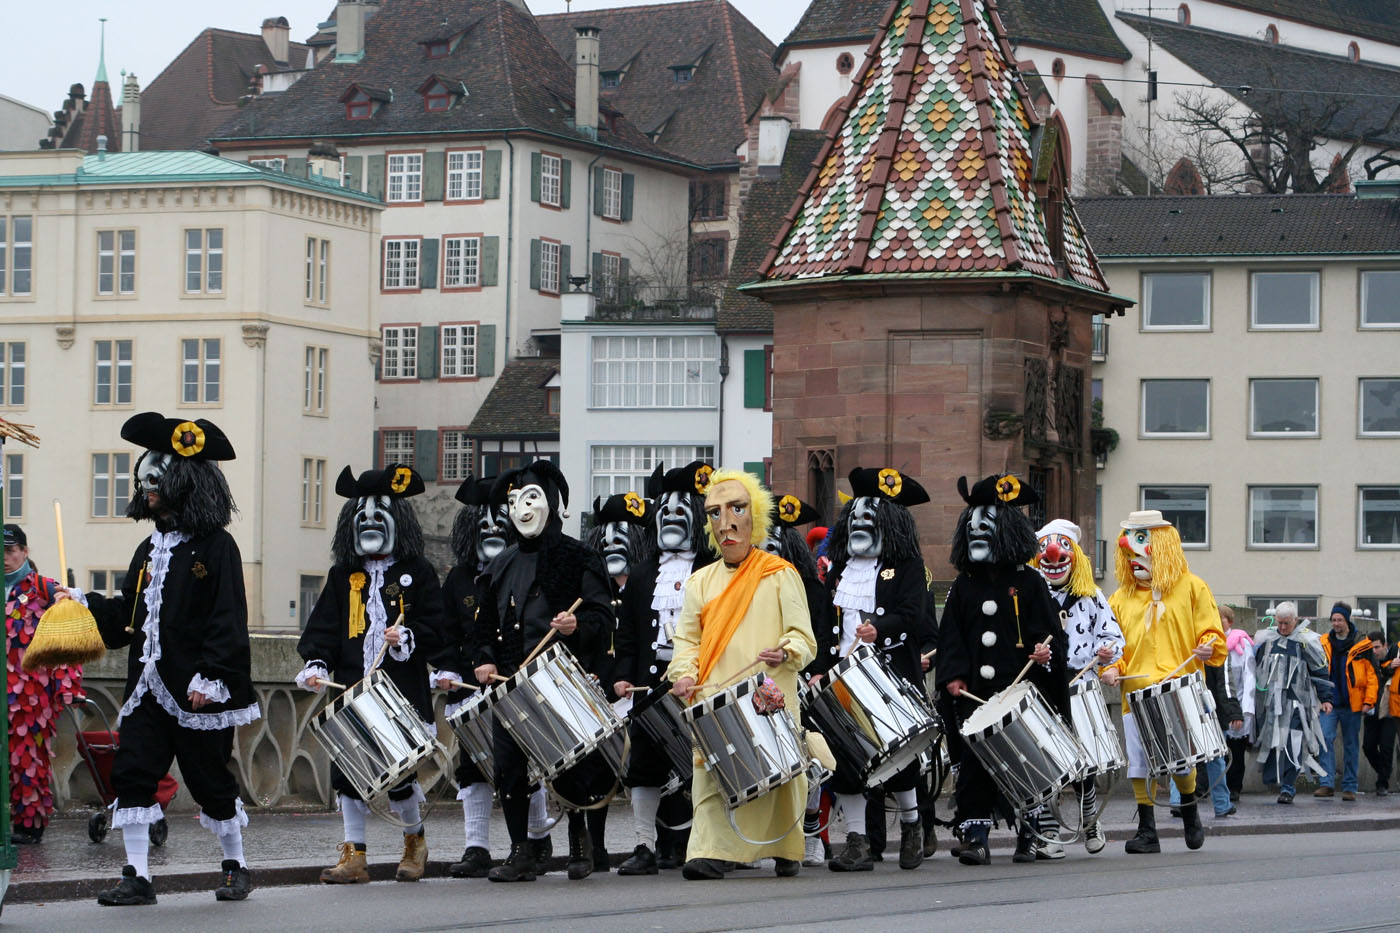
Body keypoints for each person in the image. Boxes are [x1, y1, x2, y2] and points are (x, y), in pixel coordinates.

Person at [80, 413, 258, 905]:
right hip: (147, 687)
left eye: (158, 480)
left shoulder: (218, 547)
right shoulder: (147, 549)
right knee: (132, 773)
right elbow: (126, 622)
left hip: (198, 689)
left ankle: (235, 866)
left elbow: (227, 617)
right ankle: (136, 876)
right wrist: (84, 604)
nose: (147, 488)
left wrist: (213, 677)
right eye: (146, 480)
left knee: (210, 780)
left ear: (186, 484)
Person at [296, 464, 447, 884]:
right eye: (361, 517)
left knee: (399, 773)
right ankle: (354, 855)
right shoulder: (343, 575)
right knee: (347, 773)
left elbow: (437, 629)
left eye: (380, 516)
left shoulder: (418, 571)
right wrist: (316, 663)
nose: (370, 523)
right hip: (350, 687)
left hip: (399, 689)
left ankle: (415, 842)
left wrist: (407, 636)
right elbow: (323, 628)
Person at [665, 468, 816, 880]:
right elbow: (687, 642)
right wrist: (681, 675)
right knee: (711, 774)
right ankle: (709, 850)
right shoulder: (698, 582)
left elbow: (804, 637)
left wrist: (786, 651)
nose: (726, 525)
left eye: (736, 511)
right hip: (712, 697)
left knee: (782, 775)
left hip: (768, 693)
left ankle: (786, 846)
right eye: (715, 514)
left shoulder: (780, 573)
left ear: (755, 518)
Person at [471, 461, 614, 884]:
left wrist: (577, 626)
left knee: (572, 763)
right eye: (513, 502)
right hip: (511, 682)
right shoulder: (498, 566)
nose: (521, 509)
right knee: (509, 768)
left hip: (563, 677)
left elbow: (604, 618)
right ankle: (521, 851)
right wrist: (485, 659)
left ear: (550, 504)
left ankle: (579, 843)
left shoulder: (579, 557)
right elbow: (483, 628)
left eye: (530, 499)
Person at [936, 474, 1067, 866]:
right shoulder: (962, 586)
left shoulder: (1030, 583)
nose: (978, 533)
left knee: (1025, 761)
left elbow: (1051, 634)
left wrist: (1045, 652)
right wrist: (953, 676)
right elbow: (952, 638)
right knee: (975, 766)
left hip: (1021, 690)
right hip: (975, 692)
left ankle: (1031, 834)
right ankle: (976, 837)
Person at [438, 476, 553, 878]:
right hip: (470, 690)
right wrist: (450, 670)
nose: (490, 532)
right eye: (482, 526)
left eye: (498, 525)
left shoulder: (525, 568)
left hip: (515, 684)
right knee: (472, 767)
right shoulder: (457, 579)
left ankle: (538, 838)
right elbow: (446, 632)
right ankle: (477, 847)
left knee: (526, 763)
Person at [818, 468, 932, 873]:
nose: (863, 524)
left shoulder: (907, 567)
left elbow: (914, 616)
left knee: (898, 759)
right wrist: (819, 668)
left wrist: (879, 628)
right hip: (844, 679)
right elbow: (823, 623)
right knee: (846, 760)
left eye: (873, 518)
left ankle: (913, 825)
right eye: (857, 518)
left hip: (891, 675)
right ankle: (857, 841)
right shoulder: (838, 569)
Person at [1100, 510, 1227, 855]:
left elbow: (1212, 630)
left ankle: (1189, 813)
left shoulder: (1192, 587)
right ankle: (1147, 831)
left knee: (1181, 760)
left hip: (1179, 689)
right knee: (1139, 763)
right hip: (1136, 693)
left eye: (1141, 544)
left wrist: (1208, 646)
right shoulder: (1120, 598)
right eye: (1128, 549)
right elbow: (1114, 645)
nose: (1132, 554)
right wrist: (1111, 667)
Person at [613, 462, 716, 873]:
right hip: (650, 687)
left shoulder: (712, 572)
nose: (671, 519)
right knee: (644, 768)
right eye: (665, 513)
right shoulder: (641, 574)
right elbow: (628, 636)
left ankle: (699, 845)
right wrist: (622, 676)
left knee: (701, 768)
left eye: (681, 512)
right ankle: (644, 847)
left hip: (699, 685)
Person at [1031, 518, 1123, 855]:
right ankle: (1050, 832)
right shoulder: (1031, 593)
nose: (1054, 564)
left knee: (1084, 760)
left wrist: (1107, 652)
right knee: (1044, 760)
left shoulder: (1092, 596)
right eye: (1048, 559)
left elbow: (1113, 636)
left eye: (1062, 558)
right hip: (1040, 686)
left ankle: (1089, 819)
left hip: (1079, 683)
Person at [759, 493, 832, 869]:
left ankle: (811, 832)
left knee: (810, 763)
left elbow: (820, 635)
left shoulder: (812, 588)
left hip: (800, 684)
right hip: (757, 684)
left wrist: (814, 670)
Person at [584, 489, 655, 874]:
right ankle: (596, 848)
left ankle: (662, 844)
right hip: (599, 694)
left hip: (637, 690)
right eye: (606, 536)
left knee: (651, 770)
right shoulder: (592, 589)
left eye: (622, 535)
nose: (613, 544)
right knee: (596, 772)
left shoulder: (648, 585)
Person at [5, 524, 84, 844]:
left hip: (31, 694)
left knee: (28, 755)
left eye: (10, 551)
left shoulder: (44, 589)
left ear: (25, 552)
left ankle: (30, 822)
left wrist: (68, 684)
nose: (5, 559)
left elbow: (68, 640)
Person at [1254, 602, 1334, 803]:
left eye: (1286, 624)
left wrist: (1325, 699)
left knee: (1293, 743)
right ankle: (1276, 781)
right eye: (1279, 623)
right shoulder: (1268, 640)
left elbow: (1319, 671)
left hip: (1297, 703)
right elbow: (1256, 667)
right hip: (1272, 704)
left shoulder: (1306, 641)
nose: (1282, 627)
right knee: (1273, 742)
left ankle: (1288, 788)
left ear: (1295, 621)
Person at [1315, 602, 1376, 801]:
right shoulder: (1324, 642)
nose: (1336, 623)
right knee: (1325, 738)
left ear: (1347, 620)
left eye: (1339, 620)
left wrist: (1369, 701)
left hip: (1353, 704)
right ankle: (1326, 783)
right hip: (1330, 702)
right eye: (1333, 620)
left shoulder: (1362, 644)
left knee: (1351, 745)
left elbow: (1372, 676)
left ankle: (1350, 786)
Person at [1222, 605, 1256, 804]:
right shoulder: (1211, 641)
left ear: (1230, 621)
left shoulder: (1241, 643)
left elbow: (1249, 675)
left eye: (1222, 619)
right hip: (1219, 705)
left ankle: (1234, 787)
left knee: (1236, 751)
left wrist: (1246, 709)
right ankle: (1218, 786)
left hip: (1238, 700)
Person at [1362, 628, 1398, 797]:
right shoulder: (1367, 662)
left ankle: (1382, 783)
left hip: (1390, 710)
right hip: (1371, 710)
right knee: (1368, 747)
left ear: (1385, 645)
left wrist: (1390, 667)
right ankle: (1385, 771)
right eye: (1372, 648)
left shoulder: (1394, 658)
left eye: (1377, 647)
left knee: (1386, 748)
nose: (1374, 651)